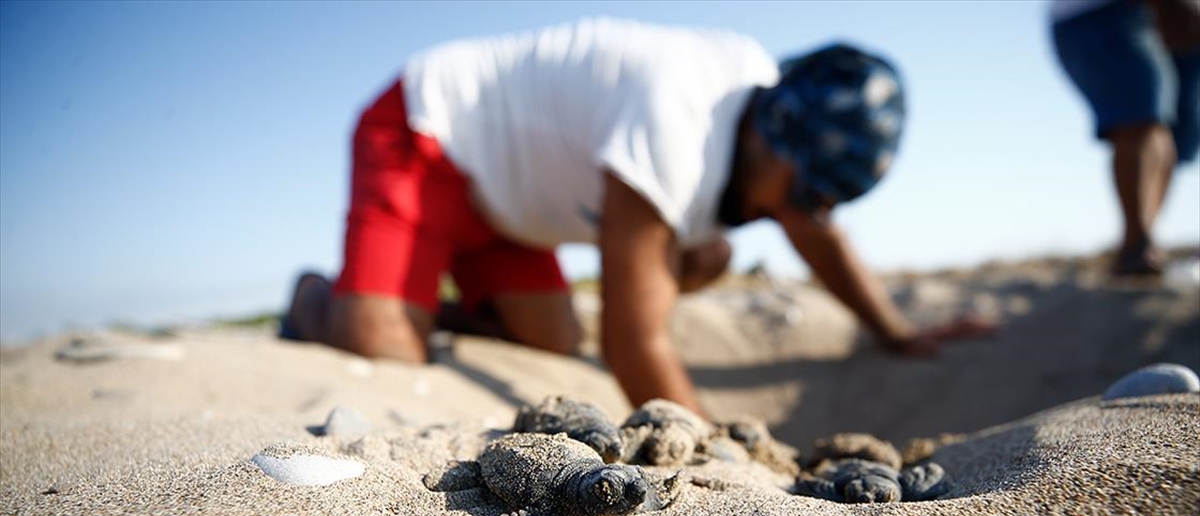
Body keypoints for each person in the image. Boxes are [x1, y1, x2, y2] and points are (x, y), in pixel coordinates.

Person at [282, 17, 994, 418]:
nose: (805, 213)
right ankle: (323, 298)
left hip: (514, 213)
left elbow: (818, 234)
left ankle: (430, 306)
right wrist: (717, 455)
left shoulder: (764, 120)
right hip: (428, 136)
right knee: (380, 351)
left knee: (557, 343)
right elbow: (632, 344)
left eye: (826, 200)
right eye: (806, 191)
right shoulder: (675, 126)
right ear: (767, 134)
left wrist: (895, 333)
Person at [1050, 0, 1200, 276]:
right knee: (1142, 115)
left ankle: (1144, 244)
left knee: (1177, 134)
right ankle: (1137, 247)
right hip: (1107, 11)